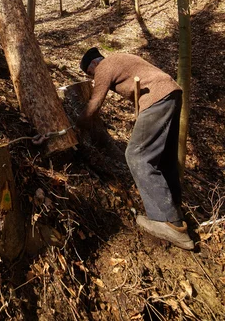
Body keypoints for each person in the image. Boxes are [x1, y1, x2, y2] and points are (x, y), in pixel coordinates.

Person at [78, 47, 194, 250]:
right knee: (164, 159)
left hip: (157, 98)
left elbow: (95, 103)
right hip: (171, 93)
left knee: (136, 155)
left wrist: (76, 123)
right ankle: (175, 212)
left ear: (93, 65)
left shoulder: (104, 66)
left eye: (90, 74)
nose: (92, 78)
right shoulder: (121, 60)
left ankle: (167, 222)